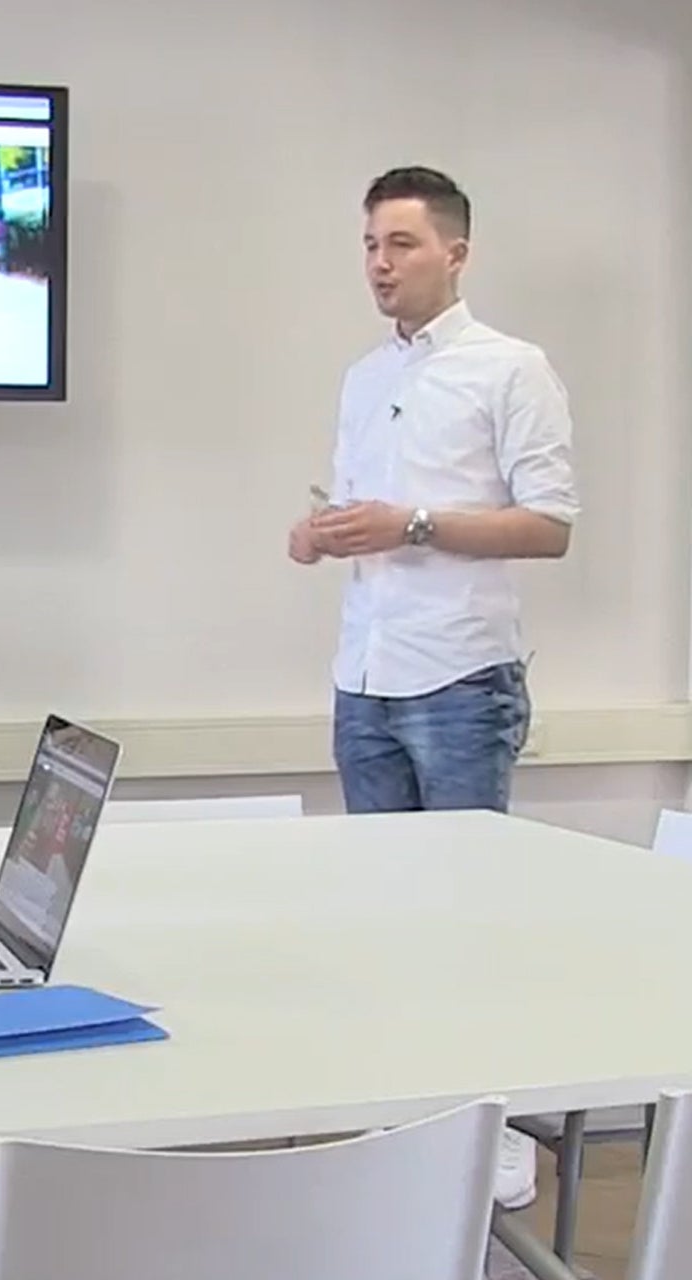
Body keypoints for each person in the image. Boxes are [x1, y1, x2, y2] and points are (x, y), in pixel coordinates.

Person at [286, 166, 578, 1210]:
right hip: (364, 673)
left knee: (470, 922)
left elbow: (549, 525)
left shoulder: (513, 368)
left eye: (401, 243)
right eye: (370, 244)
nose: (380, 263)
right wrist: (319, 533)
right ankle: (409, 1123)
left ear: (456, 252)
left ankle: (497, 1126)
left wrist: (410, 522)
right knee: (389, 924)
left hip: (460, 675)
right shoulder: (364, 377)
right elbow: (359, 510)